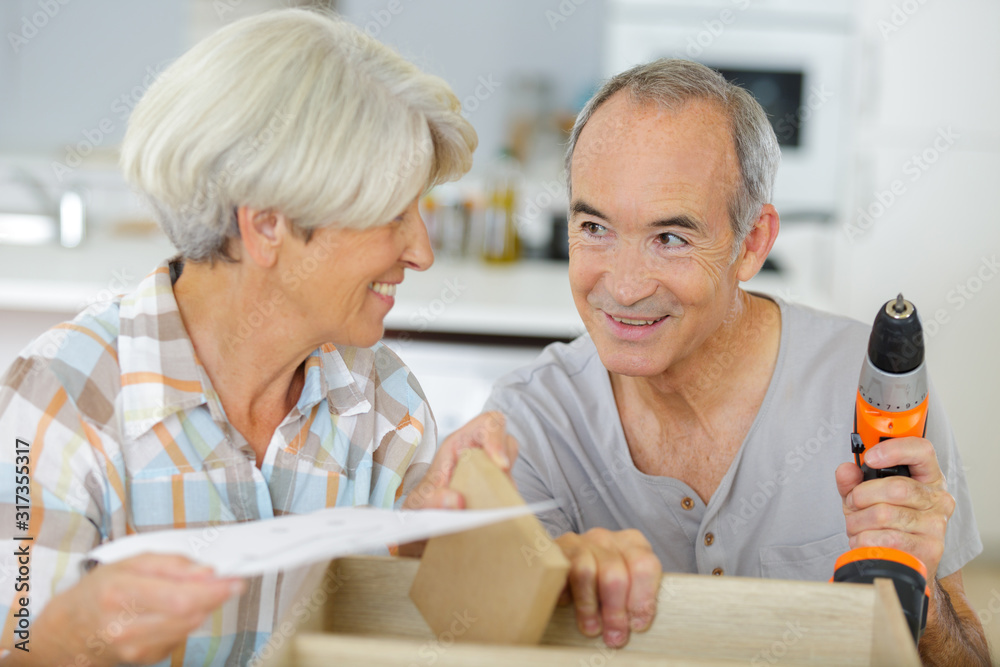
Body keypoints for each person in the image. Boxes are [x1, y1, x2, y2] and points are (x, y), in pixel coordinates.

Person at [0, 10, 521, 666]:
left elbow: (421, 635)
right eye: (391, 214)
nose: (420, 251)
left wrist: (429, 541)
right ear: (268, 225)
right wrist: (65, 640)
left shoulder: (383, 399)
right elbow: (16, 648)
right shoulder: (62, 397)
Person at [484, 58, 990, 663]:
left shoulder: (875, 394)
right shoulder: (530, 423)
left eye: (670, 238)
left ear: (752, 243)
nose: (622, 286)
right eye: (594, 227)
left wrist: (922, 594)